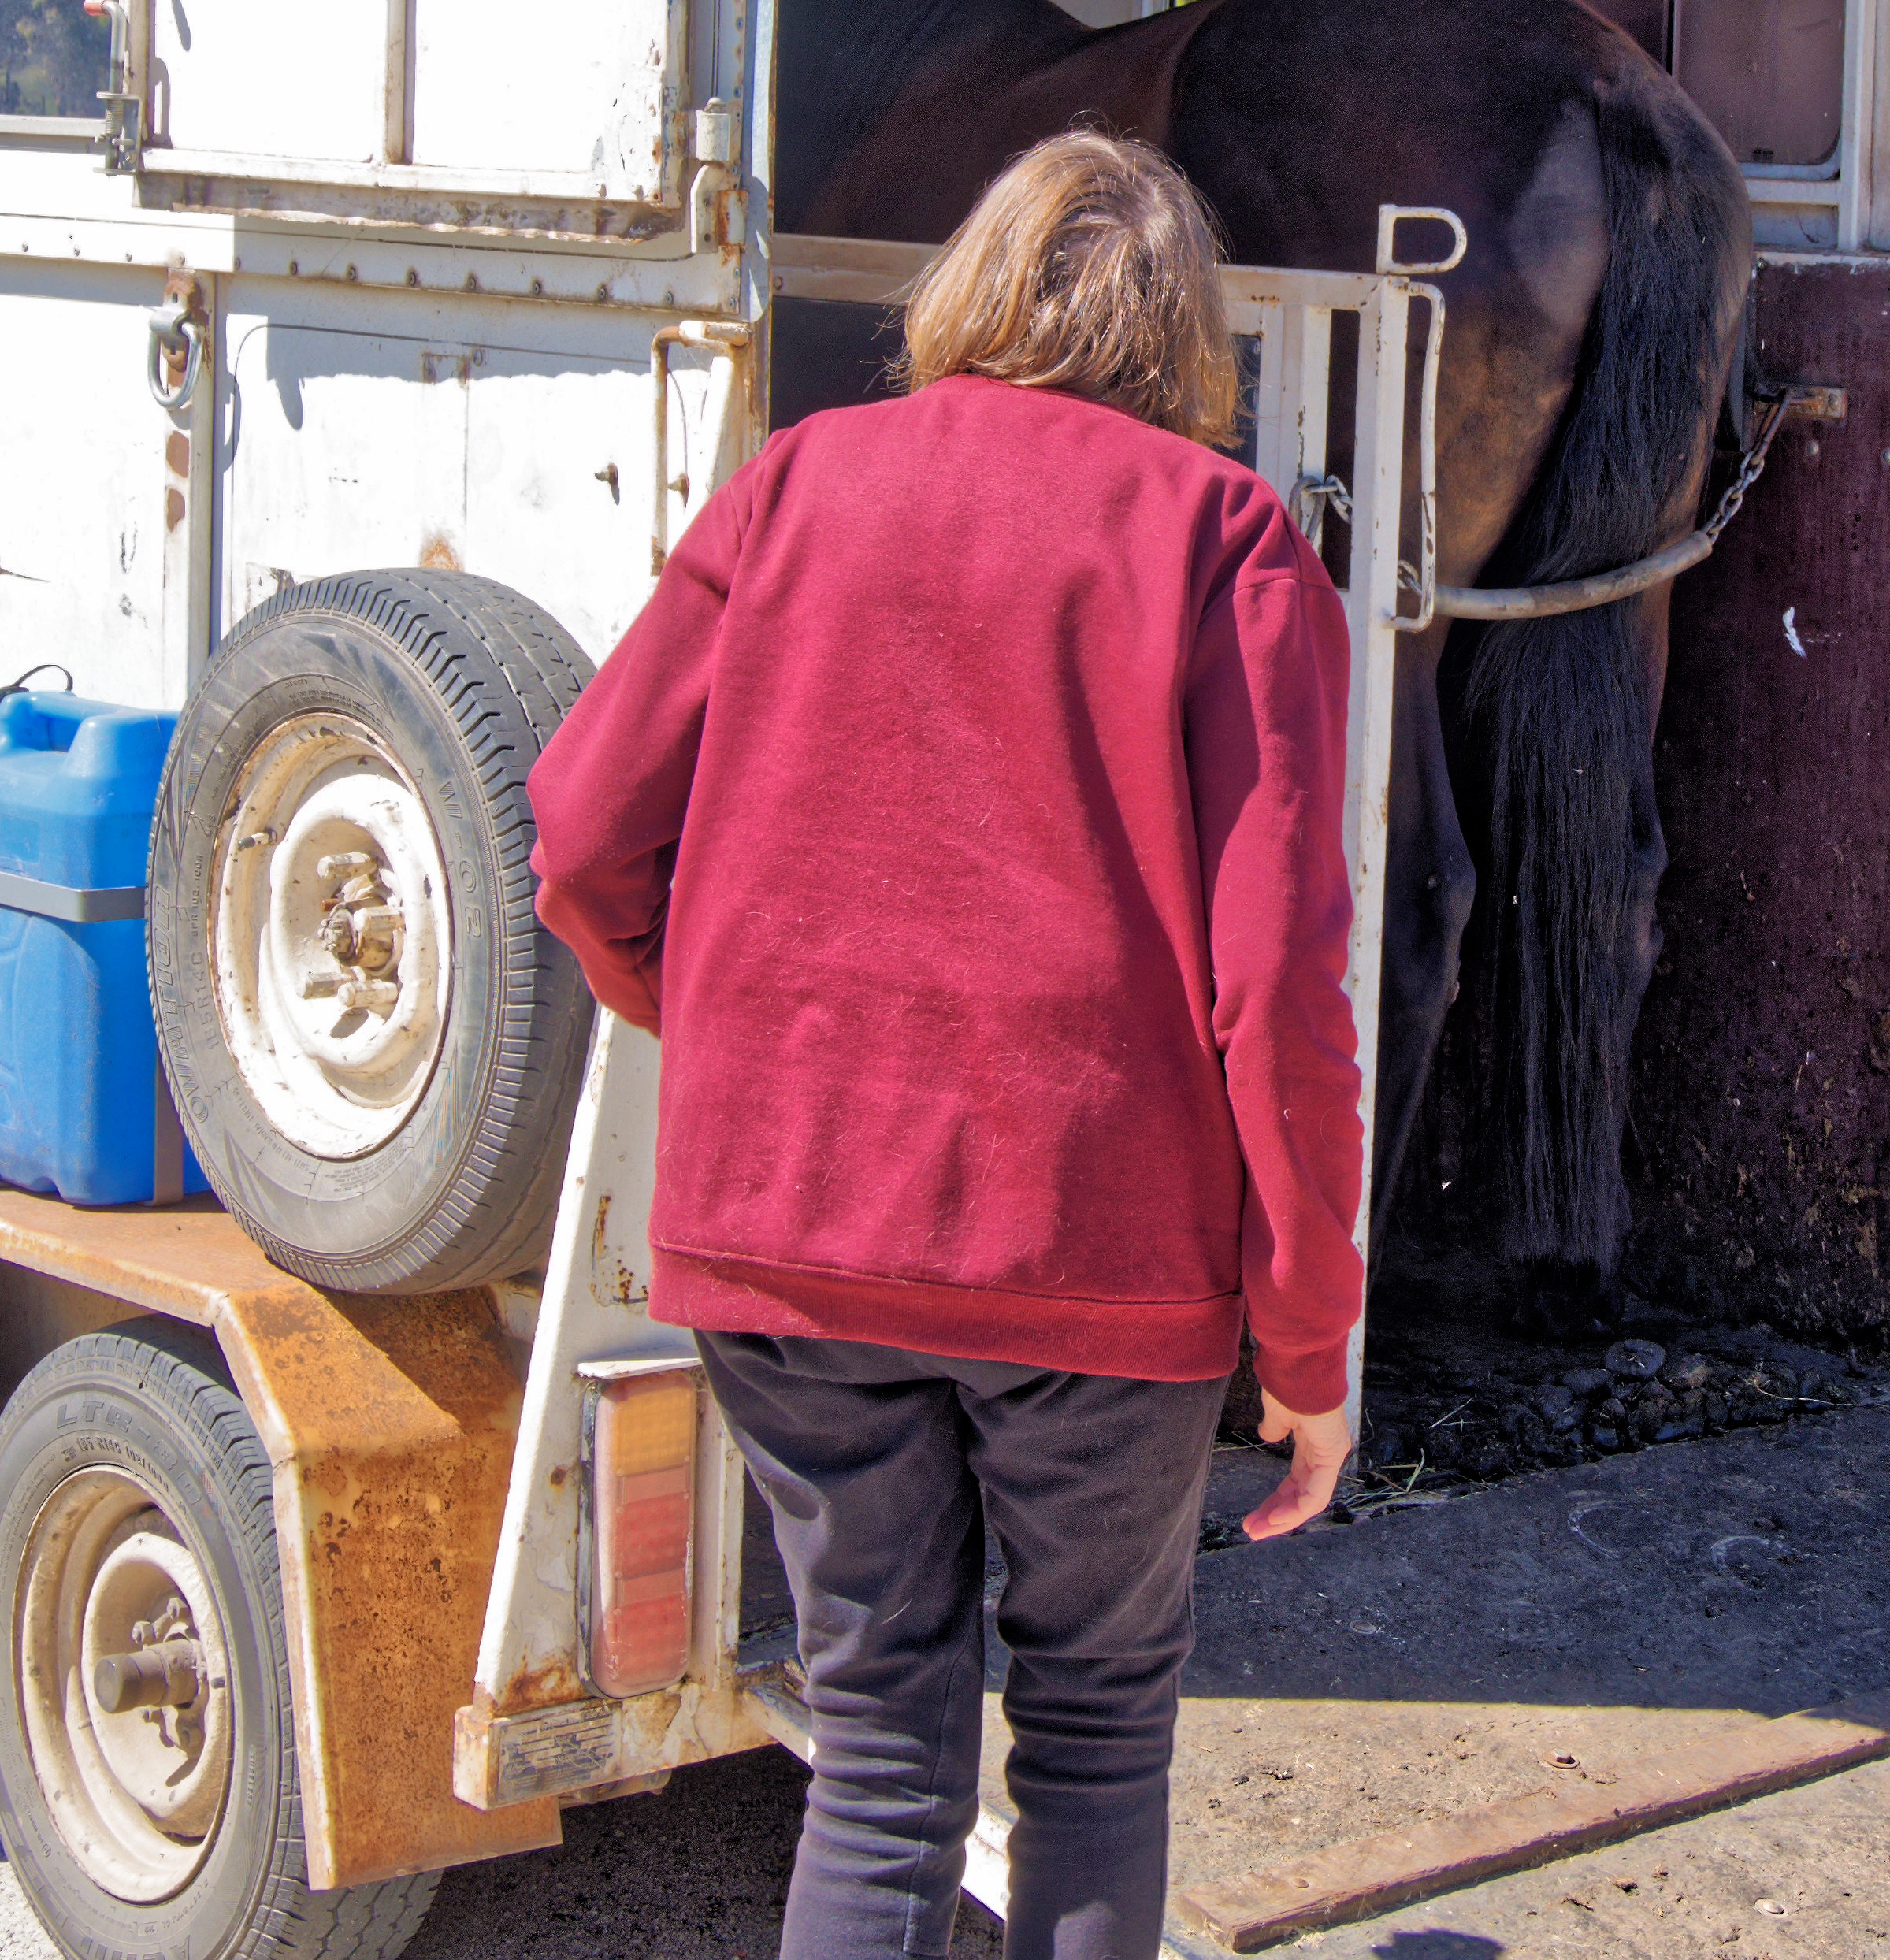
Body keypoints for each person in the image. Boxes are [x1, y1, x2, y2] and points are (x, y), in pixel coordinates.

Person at [525, 128, 1368, 1960]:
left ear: (969, 289)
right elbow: (1279, 988)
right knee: (1094, 1734)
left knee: (882, 1760)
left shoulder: (794, 485)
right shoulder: (1225, 535)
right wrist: (1309, 1334)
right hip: (1095, 1257)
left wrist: (717, 1025)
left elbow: (581, 832)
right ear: (1185, 340)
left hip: (786, 1234)